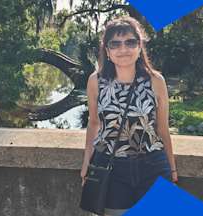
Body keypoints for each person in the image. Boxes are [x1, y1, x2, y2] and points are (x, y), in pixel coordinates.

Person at [81, 16, 178, 216]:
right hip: (112, 168)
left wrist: (172, 168)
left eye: (130, 42)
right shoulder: (96, 81)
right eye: (115, 44)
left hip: (153, 165)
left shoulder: (155, 80)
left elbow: (162, 129)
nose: (123, 49)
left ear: (139, 46)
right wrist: (86, 164)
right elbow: (93, 124)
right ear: (107, 51)